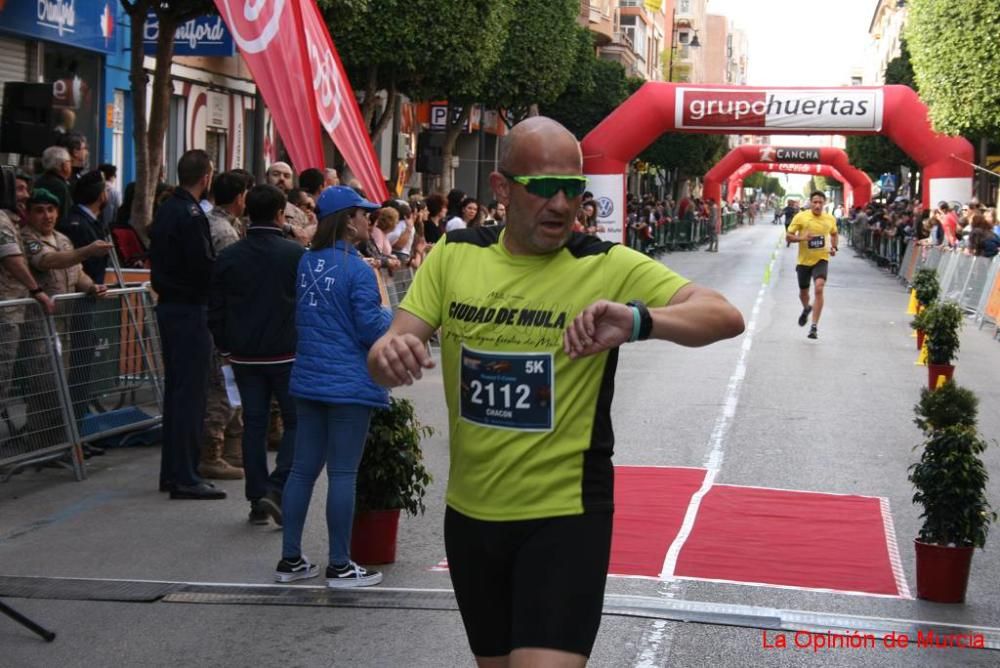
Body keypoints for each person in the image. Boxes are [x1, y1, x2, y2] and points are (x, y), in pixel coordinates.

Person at [366, 117, 744, 665]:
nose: (562, 204)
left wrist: (639, 321)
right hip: (472, 518)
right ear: (501, 189)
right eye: (544, 188)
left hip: (565, 517)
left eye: (574, 189)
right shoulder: (454, 256)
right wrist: (387, 356)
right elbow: (390, 351)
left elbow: (724, 315)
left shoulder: (604, 263)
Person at [275, 185, 392, 587]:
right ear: (347, 220)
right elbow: (370, 328)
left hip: (309, 379)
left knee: (303, 470)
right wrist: (390, 310)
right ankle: (340, 564)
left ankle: (290, 559)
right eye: (365, 214)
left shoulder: (308, 263)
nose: (369, 221)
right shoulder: (358, 269)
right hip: (348, 384)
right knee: (343, 472)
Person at [209, 184, 305, 525]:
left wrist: (225, 345)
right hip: (286, 354)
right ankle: (276, 488)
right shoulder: (295, 255)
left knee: (255, 424)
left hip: (244, 355)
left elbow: (216, 307)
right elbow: (308, 306)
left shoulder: (229, 255)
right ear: (281, 214)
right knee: (296, 422)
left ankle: (256, 497)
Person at [150, 149, 224, 500]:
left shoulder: (168, 208)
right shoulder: (191, 214)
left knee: (179, 393)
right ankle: (185, 476)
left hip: (173, 307)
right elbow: (203, 266)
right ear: (206, 177)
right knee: (190, 395)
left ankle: (173, 471)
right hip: (189, 309)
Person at [200, 171, 250, 481]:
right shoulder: (224, 231)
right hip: (223, 318)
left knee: (230, 384)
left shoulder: (220, 224)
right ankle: (212, 453)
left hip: (219, 316)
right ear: (239, 198)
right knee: (222, 385)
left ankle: (232, 449)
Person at [0, 171, 55, 430]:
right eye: (19, 190)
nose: (26, 196)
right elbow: (12, 260)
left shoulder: (10, 221)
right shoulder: (1, 220)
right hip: (6, 313)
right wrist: (36, 290)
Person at [786, 191, 838, 340]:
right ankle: (807, 308)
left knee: (819, 287)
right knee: (804, 293)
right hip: (803, 261)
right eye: (815, 202)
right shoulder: (801, 217)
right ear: (810, 202)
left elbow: (834, 234)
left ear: (824, 203)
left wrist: (834, 248)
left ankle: (814, 326)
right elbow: (788, 236)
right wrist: (802, 237)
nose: (817, 205)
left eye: (820, 202)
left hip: (821, 258)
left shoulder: (830, 219)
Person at [34, 146, 73, 226]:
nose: (71, 165)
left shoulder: (38, 180)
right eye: (70, 162)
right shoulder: (60, 186)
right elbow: (64, 217)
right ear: (64, 165)